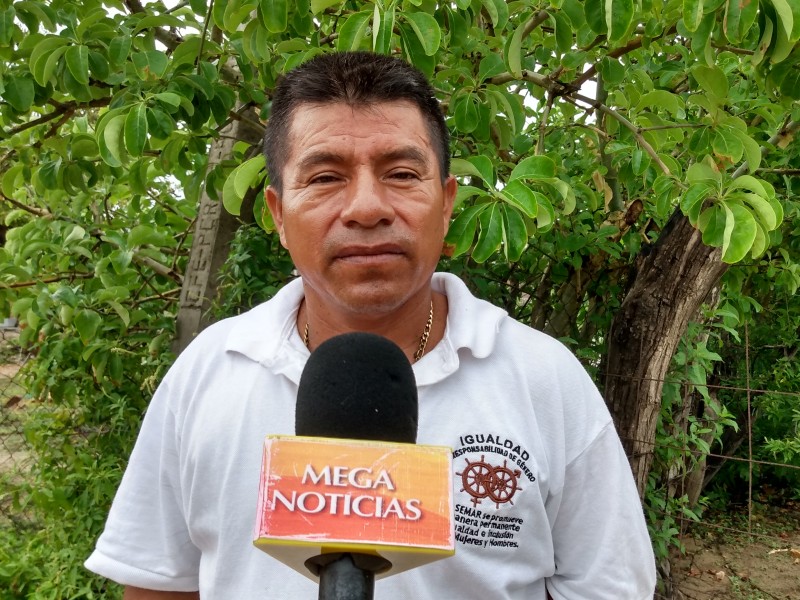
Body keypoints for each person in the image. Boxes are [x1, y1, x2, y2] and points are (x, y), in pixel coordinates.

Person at [86, 51, 656, 599]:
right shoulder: (211, 370)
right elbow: (159, 582)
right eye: (326, 177)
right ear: (279, 214)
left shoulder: (544, 380)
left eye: (402, 173)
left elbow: (605, 587)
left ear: (447, 202)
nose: (366, 207)